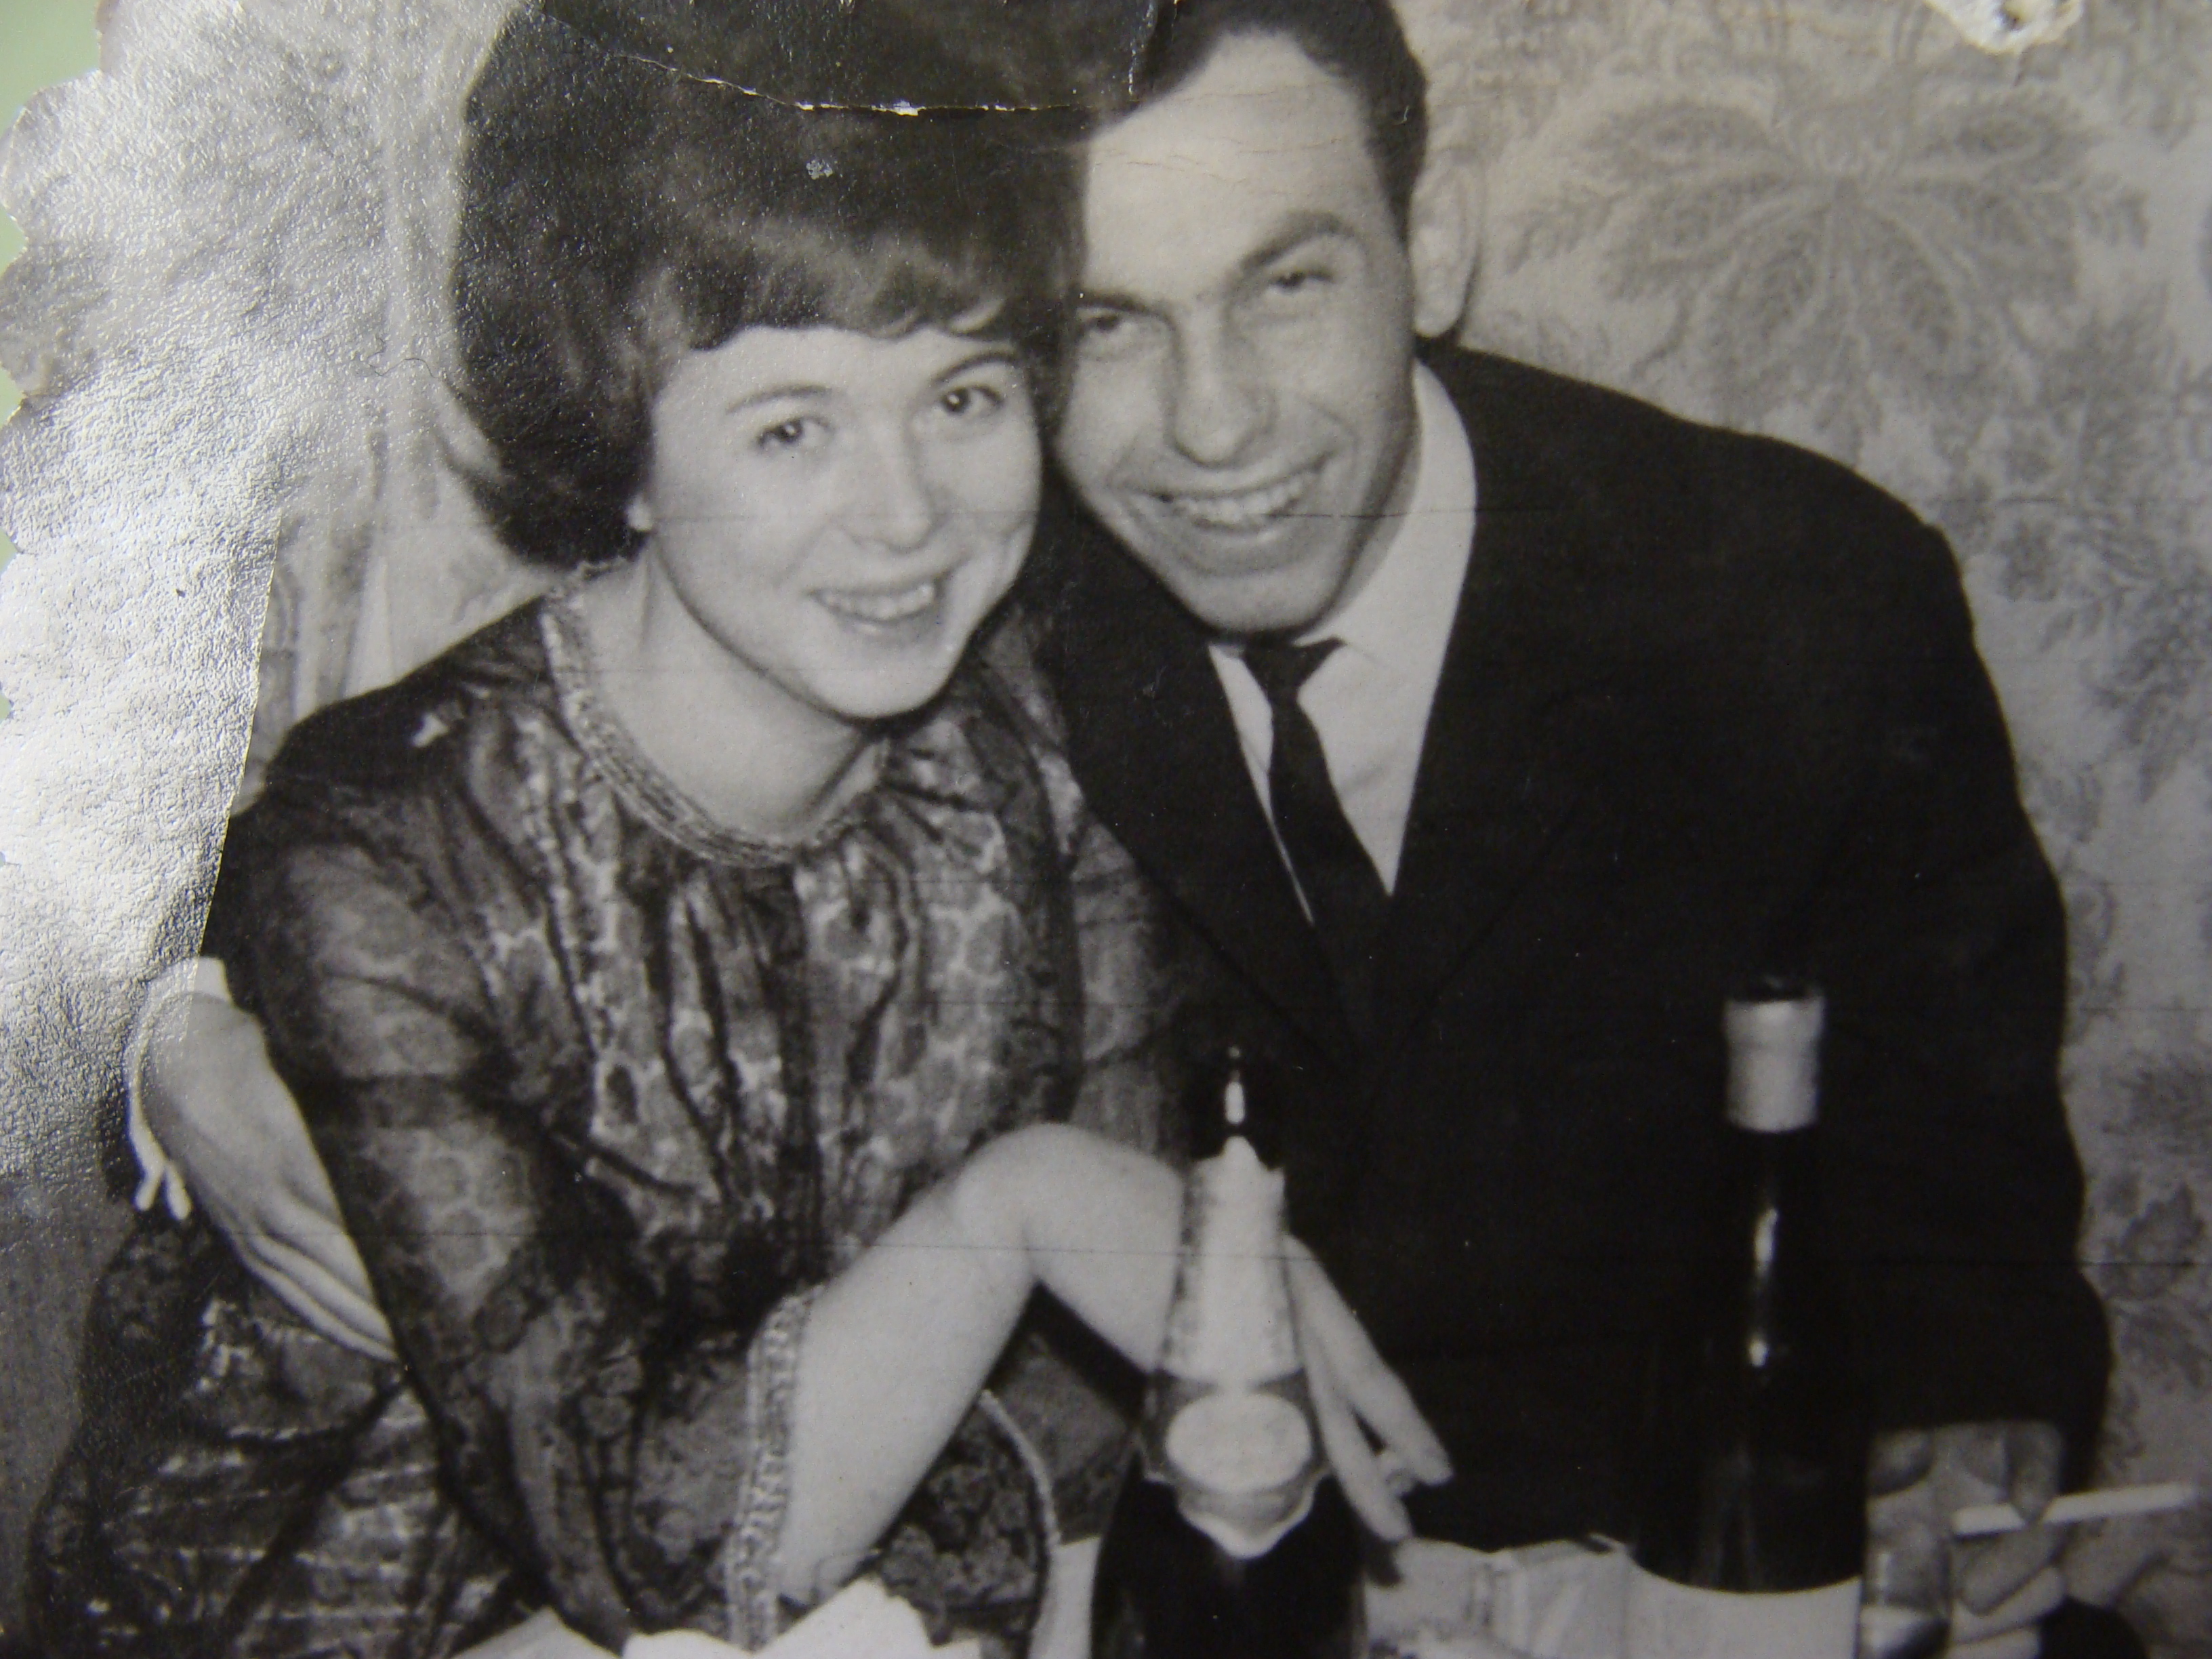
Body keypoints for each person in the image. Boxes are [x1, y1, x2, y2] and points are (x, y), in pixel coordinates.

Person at [124, 1, 2128, 1656]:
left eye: (1290, 284)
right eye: (1103, 326)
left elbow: (1963, 1202)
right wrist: (178, 1034)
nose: (1216, 428)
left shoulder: (1789, 602)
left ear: (1438, 250)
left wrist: (1971, 1443)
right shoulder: (984, 603)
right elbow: (438, 827)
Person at [28, 7, 1447, 1657]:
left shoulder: (1047, 750)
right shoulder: (394, 844)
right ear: (623, 450)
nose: (906, 514)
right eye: (791, 428)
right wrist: (1017, 1206)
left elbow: (1080, 1426)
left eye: (964, 394)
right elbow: (646, 1546)